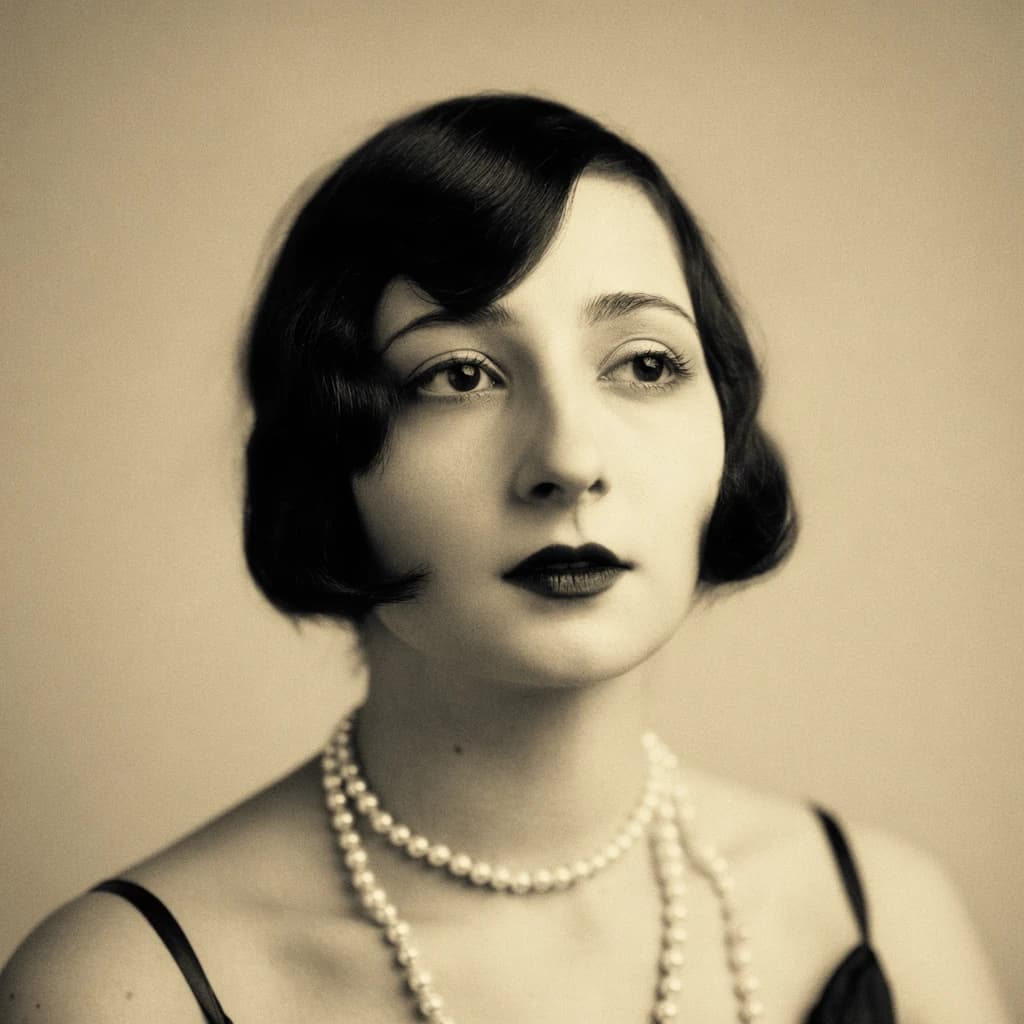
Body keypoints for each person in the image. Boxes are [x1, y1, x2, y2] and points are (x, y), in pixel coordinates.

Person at [1, 93, 1010, 1024]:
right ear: (325, 446)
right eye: (459, 374)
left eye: (646, 364)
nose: (568, 460)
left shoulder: (882, 914)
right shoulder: (115, 990)